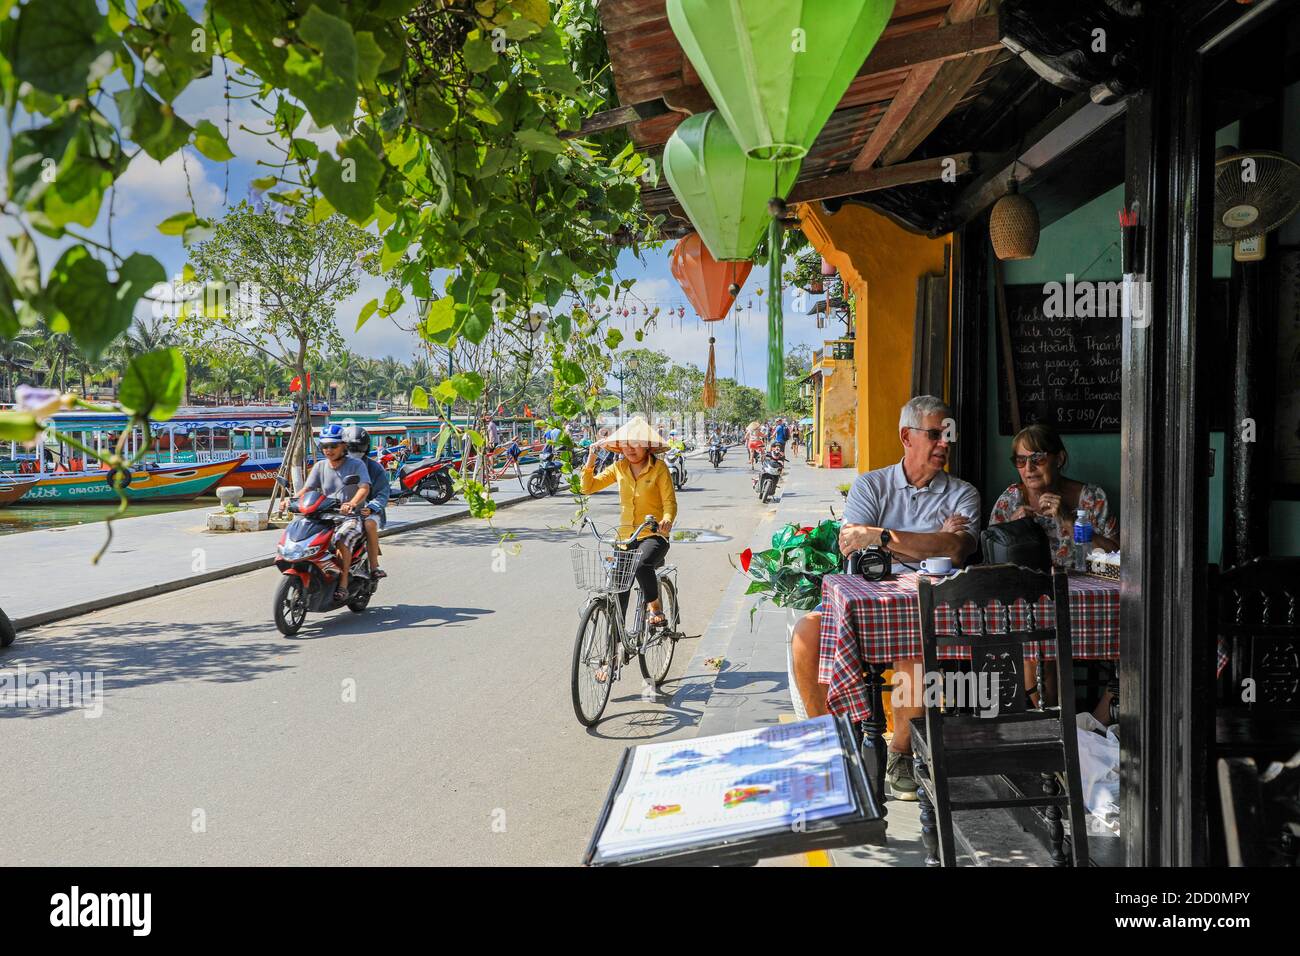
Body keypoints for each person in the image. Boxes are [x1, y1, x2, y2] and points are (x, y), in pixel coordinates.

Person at [789, 395, 980, 801]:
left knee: (915, 637)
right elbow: (853, 547)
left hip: (920, 606)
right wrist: (929, 544)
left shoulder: (963, 493)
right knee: (806, 634)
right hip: (862, 599)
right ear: (905, 437)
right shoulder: (871, 485)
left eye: (949, 435)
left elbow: (958, 550)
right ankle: (832, 744)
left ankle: (901, 752)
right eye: (935, 434)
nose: (945, 443)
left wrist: (883, 536)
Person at [991, 422, 1120, 722]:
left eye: (1037, 458)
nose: (1029, 468)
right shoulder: (1010, 500)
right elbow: (992, 564)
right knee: (1035, 639)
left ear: (1058, 459)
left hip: (1087, 602)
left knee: (1133, 634)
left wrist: (1069, 520)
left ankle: (1092, 727)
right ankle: (1051, 726)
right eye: (1021, 461)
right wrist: (1013, 529)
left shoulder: (1090, 498)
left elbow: (1115, 556)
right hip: (1035, 601)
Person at [580, 416, 677, 629]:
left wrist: (667, 520)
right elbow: (588, 488)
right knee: (618, 591)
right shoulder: (619, 467)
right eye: (625, 445)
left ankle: (655, 607)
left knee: (642, 563)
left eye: (635, 444)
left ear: (646, 446)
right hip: (625, 539)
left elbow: (669, 502)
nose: (630, 449)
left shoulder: (659, 468)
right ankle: (615, 649)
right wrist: (591, 458)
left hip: (653, 535)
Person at [295, 423, 370, 604]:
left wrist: (352, 503)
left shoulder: (356, 465)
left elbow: (364, 487)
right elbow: (307, 489)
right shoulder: (320, 466)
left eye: (333, 446)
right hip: (324, 516)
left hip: (350, 517)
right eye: (325, 446)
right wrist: (290, 500)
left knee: (342, 538)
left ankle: (343, 584)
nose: (329, 450)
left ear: (344, 446)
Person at [342, 425, 389, 581]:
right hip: (341, 510)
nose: (355, 452)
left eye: (358, 448)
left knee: (369, 524)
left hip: (367, 512)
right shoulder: (335, 465)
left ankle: (374, 566)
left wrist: (371, 507)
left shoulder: (375, 468)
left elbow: (383, 493)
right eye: (351, 448)